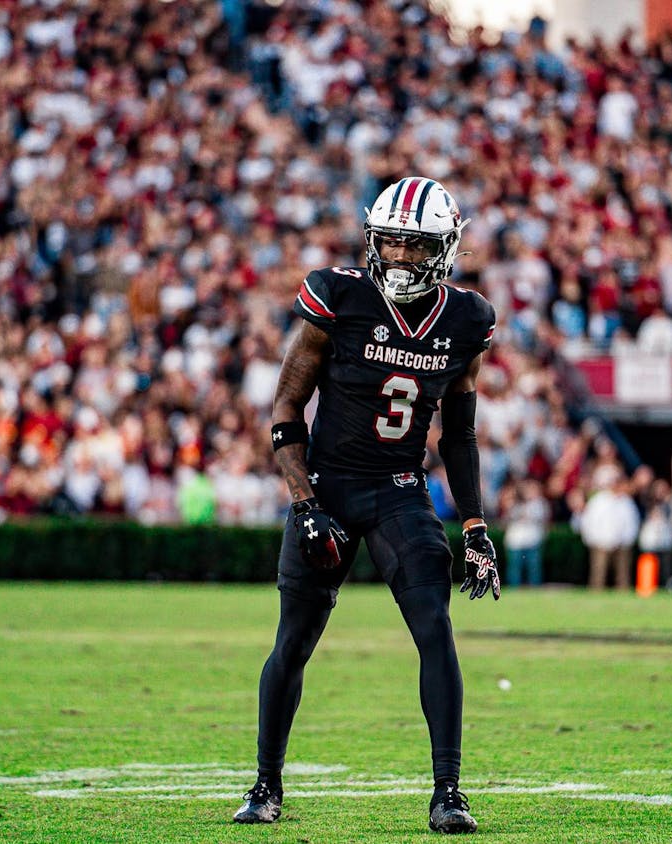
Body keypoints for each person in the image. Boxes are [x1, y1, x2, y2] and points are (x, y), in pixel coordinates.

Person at [235, 177, 500, 835]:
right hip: (325, 485)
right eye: (391, 241)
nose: (402, 256)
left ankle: (448, 793)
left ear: (444, 249)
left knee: (435, 626)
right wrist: (303, 503)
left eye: (417, 245)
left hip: (399, 491)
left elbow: (459, 433)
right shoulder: (340, 296)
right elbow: (286, 408)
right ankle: (266, 785)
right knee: (293, 641)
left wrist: (474, 525)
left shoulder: (467, 320)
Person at [503, 479, 548, 587]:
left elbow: (540, 517)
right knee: (515, 567)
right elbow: (507, 518)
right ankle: (514, 588)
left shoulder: (539, 504)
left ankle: (535, 588)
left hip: (532, 541)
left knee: (533, 568)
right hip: (515, 542)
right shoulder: (514, 503)